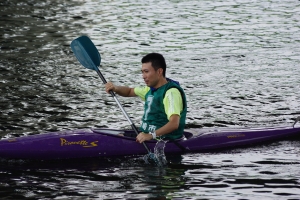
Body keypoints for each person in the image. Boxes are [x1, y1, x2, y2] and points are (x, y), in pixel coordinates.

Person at [105, 53, 187, 144]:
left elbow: (174, 124)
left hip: (164, 141)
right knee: (118, 136)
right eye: (142, 72)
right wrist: (115, 88)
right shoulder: (150, 89)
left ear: (159, 71)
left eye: (146, 71)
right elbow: (129, 91)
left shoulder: (171, 93)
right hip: (147, 137)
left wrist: (151, 135)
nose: (143, 76)